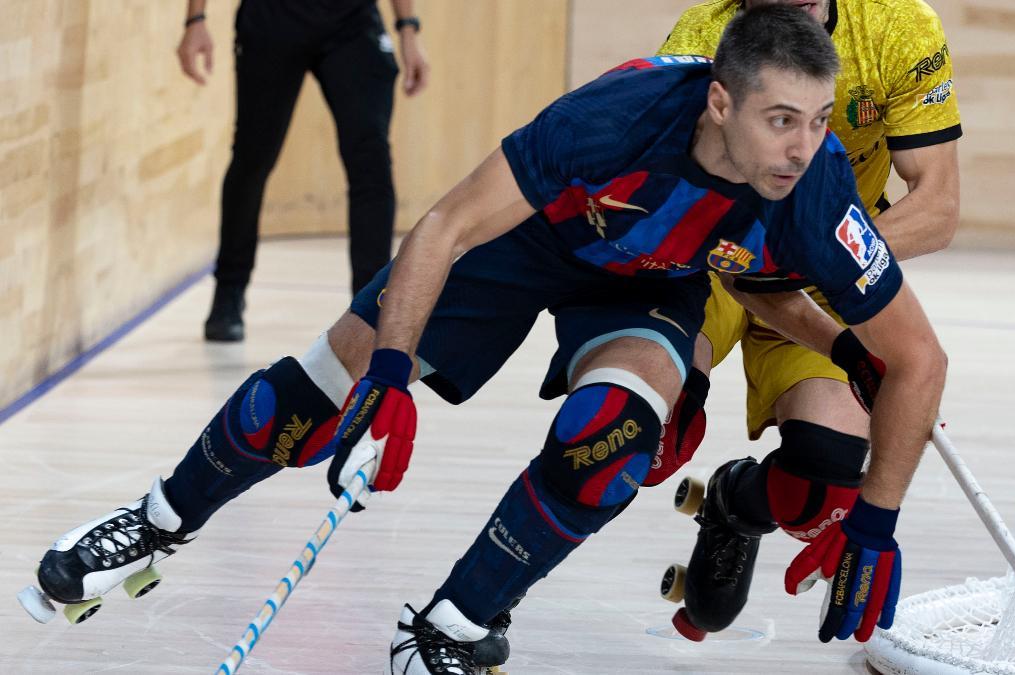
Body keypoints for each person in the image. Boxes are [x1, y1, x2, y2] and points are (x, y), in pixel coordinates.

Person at [23, 6, 944, 673]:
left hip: (646, 285)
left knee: (610, 442)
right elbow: (446, 227)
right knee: (303, 401)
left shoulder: (815, 188)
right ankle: (155, 520)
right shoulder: (608, 119)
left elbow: (916, 358)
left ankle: (452, 626)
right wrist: (387, 374)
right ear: (718, 103)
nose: (802, 146)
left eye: (819, 123)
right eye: (781, 121)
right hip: (520, 246)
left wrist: (877, 519)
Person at [649, 0, 962, 640]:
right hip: (715, 259)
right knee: (635, 436)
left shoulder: (900, 27)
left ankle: (735, 503)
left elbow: (937, 206)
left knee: (823, 488)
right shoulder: (703, 30)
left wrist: (822, 256)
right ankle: (476, 607)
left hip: (824, 269)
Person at [177, 0, 430, 342]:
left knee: (371, 162)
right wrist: (196, 19)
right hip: (272, 19)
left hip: (352, 24)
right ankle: (229, 292)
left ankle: (370, 307)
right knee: (253, 157)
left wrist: (408, 29)